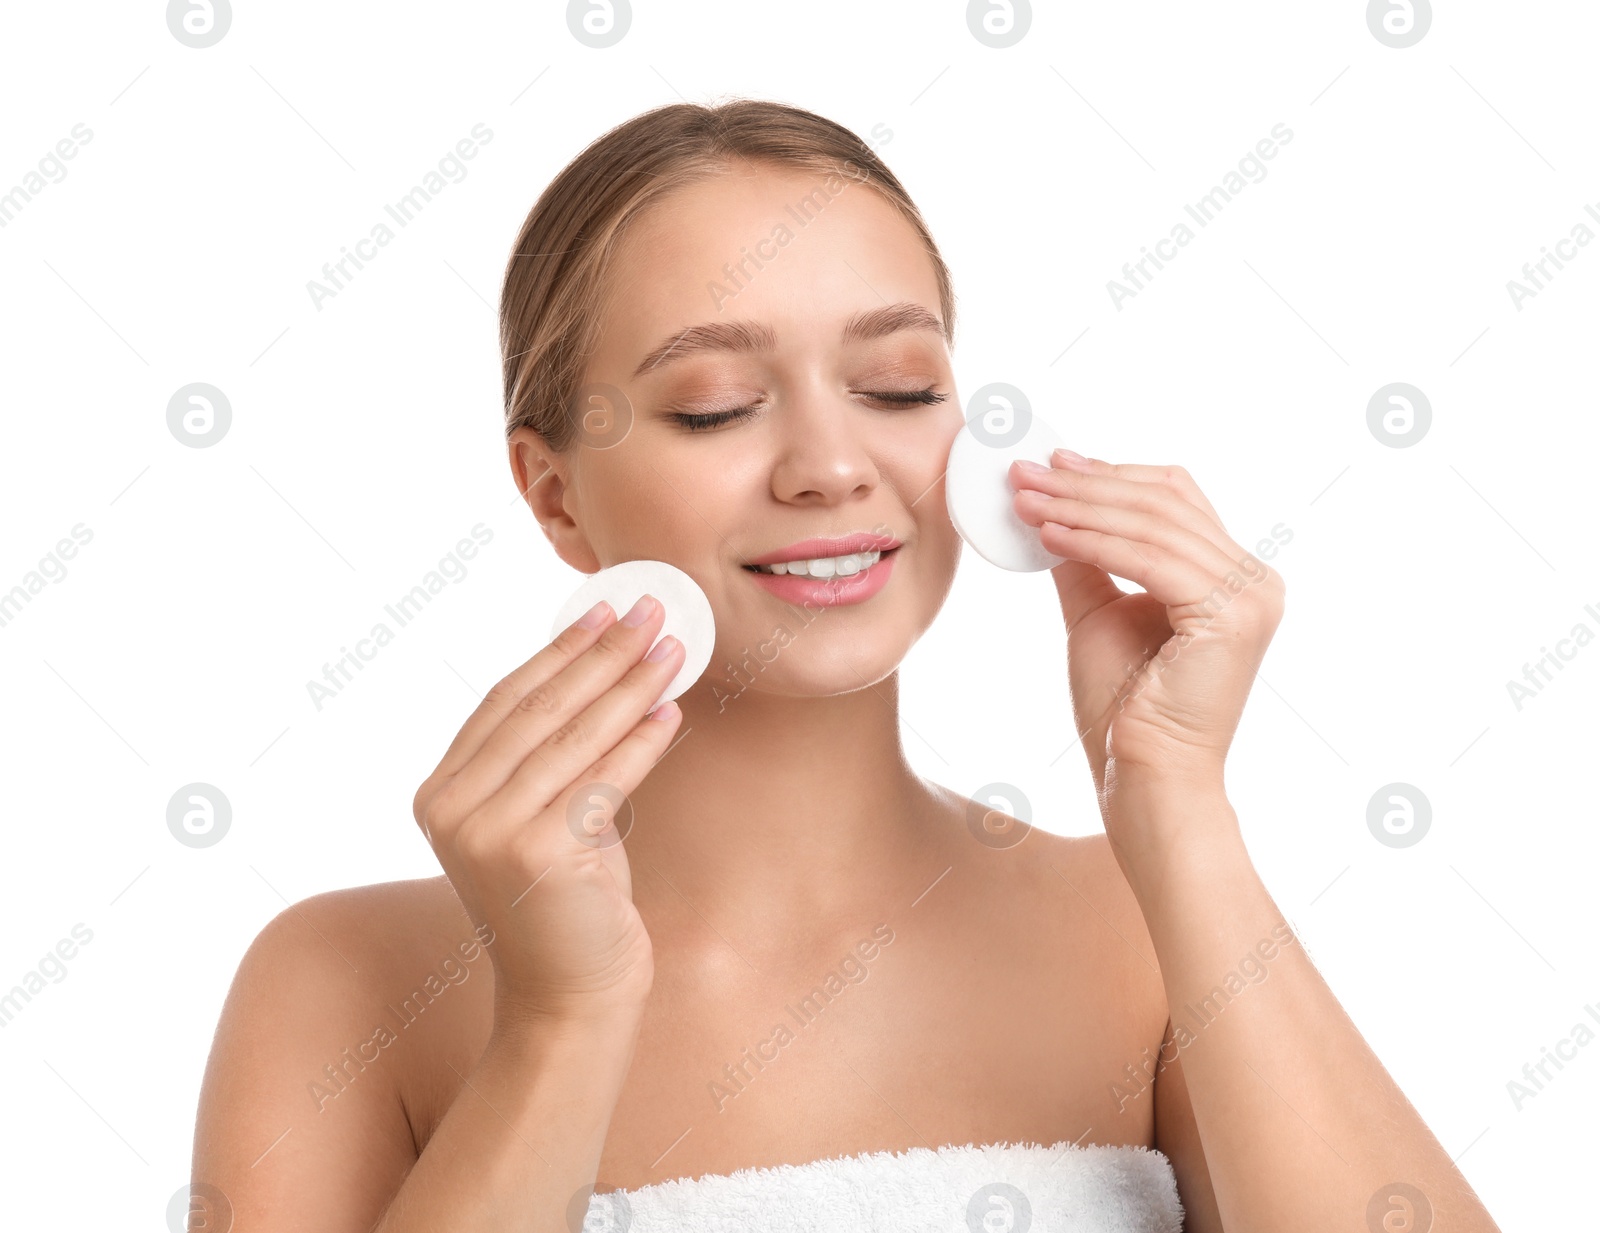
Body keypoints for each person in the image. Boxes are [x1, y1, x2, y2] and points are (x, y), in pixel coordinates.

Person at [191, 98, 1502, 1232]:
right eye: (713, 405)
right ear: (555, 494)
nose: (830, 464)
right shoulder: (344, 982)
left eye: (895, 384)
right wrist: (558, 1019)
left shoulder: (1143, 928)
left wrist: (1176, 804)